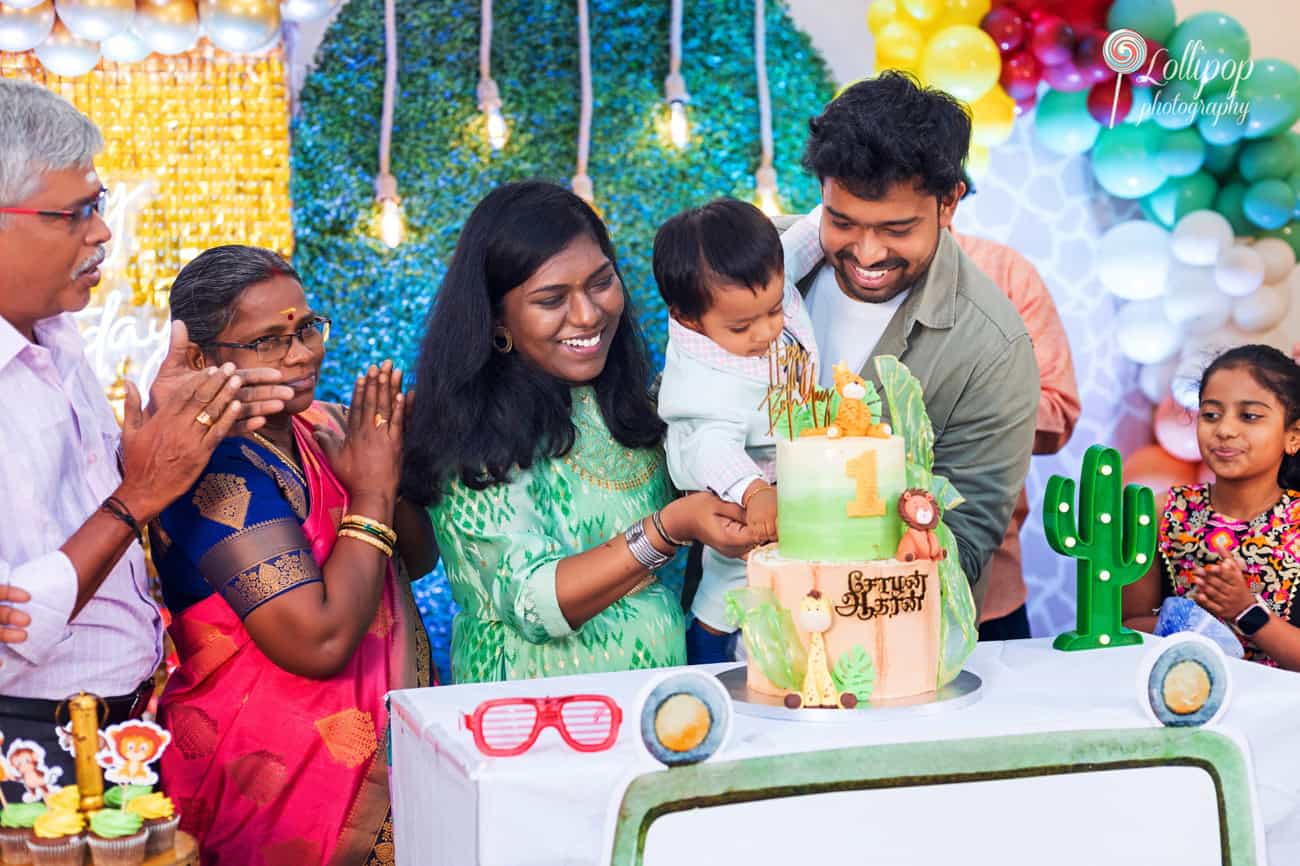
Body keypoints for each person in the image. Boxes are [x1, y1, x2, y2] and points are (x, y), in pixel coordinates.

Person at [0, 79, 292, 804]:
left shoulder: (57, 339)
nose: (101, 232)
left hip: (120, 726)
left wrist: (176, 433)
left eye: (98, 206)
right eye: (76, 213)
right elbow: (11, 640)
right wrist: (138, 495)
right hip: (28, 749)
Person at [402, 181, 755, 684]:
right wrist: (668, 528)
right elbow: (533, 602)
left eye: (600, 282)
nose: (589, 314)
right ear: (497, 317)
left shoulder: (637, 403)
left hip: (660, 715)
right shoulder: (471, 430)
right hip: (528, 724)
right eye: (551, 300)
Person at [153, 246, 434, 865]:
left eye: (307, 326)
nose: (304, 352)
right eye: (269, 341)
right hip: (268, 789)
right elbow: (317, 643)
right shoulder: (209, 468)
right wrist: (372, 489)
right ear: (200, 359)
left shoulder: (324, 429)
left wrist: (393, 465)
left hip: (379, 764)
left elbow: (418, 556)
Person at [777, 71, 1039, 597]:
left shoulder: (993, 349)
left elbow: (964, 544)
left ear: (949, 204)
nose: (868, 253)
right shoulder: (757, 267)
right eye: (843, 222)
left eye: (897, 230)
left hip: (886, 646)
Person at [653, 198, 820, 663]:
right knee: (730, 585)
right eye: (743, 326)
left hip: (793, 471)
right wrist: (752, 492)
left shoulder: (758, 287)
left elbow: (810, 239)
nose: (767, 331)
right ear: (689, 319)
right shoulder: (704, 379)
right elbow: (712, 446)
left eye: (774, 310)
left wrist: (837, 218)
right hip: (741, 496)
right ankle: (708, 655)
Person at [1124, 345, 1300, 670]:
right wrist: (1191, 625)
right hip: (1180, 696)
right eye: (1211, 414)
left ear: (1293, 436)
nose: (1224, 430)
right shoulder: (1161, 513)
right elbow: (1129, 626)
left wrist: (1246, 611)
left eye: (1249, 416)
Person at [952, 229, 1080, 640]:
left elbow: (1059, 411)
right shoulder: (825, 267)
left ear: (950, 198)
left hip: (989, 593)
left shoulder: (1004, 273)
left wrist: (969, 408)